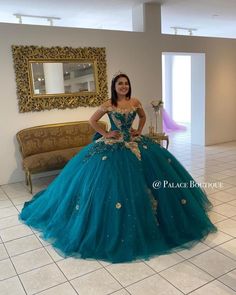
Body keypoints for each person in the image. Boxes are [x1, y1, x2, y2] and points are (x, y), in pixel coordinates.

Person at [19, 73, 217, 263]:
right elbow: (92, 121)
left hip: (135, 142)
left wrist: (139, 130)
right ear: (114, 86)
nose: (124, 86)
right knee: (112, 185)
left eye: (126, 83)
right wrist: (106, 134)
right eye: (120, 84)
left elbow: (142, 116)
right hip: (114, 146)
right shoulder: (109, 104)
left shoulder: (135, 102)